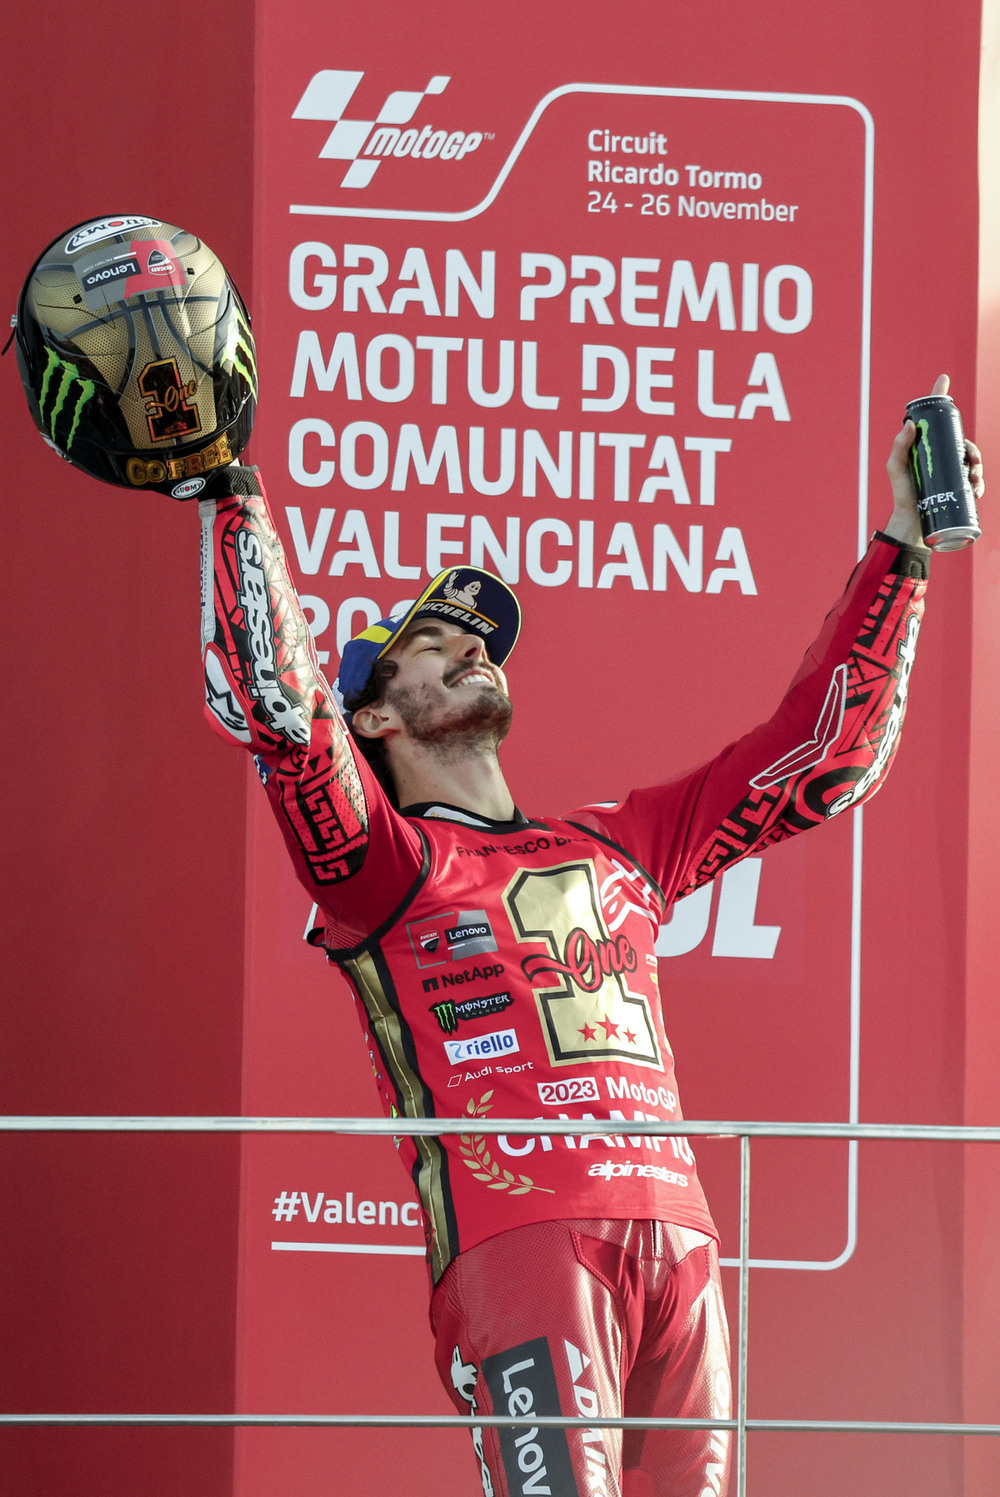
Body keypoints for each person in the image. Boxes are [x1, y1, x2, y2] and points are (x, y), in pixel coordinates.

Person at [14, 219, 984, 1497]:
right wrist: (224, 488)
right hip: (520, 1249)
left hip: (686, 1253)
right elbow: (277, 709)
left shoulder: (627, 843)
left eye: (480, 640)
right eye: (432, 641)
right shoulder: (374, 865)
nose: (475, 651)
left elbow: (821, 762)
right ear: (373, 709)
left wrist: (903, 553)